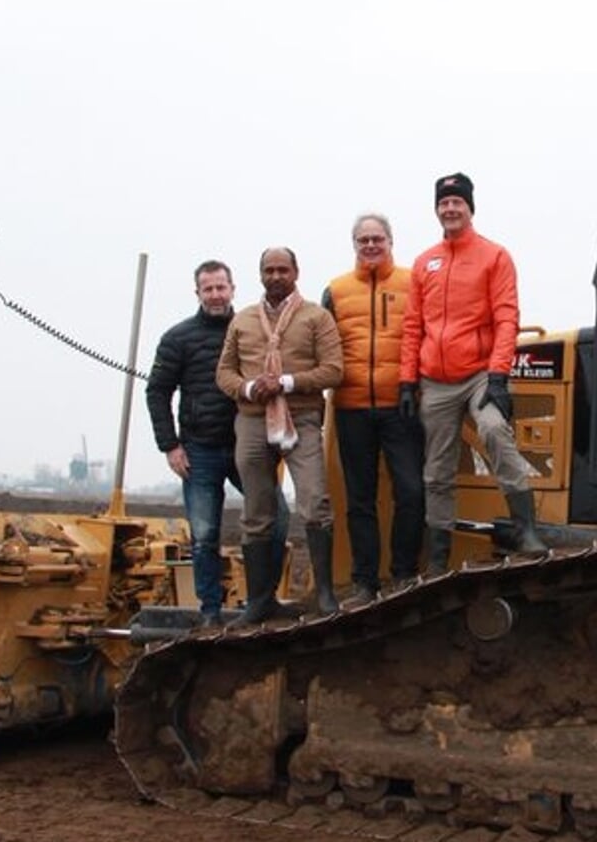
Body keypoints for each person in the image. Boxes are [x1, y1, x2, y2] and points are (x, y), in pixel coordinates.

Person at [399, 172, 543, 570]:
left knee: (495, 430)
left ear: (469, 207)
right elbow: (413, 325)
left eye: (456, 202)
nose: (450, 208)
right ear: (437, 210)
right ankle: (439, 557)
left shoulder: (494, 256)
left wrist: (498, 375)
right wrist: (407, 381)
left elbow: (506, 318)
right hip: (435, 380)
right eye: (443, 203)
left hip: (480, 373)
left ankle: (525, 527)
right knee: (436, 469)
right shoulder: (424, 263)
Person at [146, 259, 287, 627]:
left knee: (277, 518)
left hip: (248, 445)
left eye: (221, 287)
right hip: (200, 451)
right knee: (205, 534)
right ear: (198, 293)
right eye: (208, 289)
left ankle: (263, 600)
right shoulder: (178, 339)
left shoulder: (253, 330)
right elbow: (157, 392)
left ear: (233, 289)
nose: (215, 295)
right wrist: (170, 446)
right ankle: (209, 612)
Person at [216, 246, 343, 623]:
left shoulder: (316, 318)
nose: (275, 276)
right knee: (256, 511)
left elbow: (334, 370)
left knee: (314, 501)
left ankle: (324, 593)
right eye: (269, 270)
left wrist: (288, 382)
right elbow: (224, 373)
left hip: (301, 418)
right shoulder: (242, 321)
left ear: (296, 272)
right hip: (252, 421)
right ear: (260, 275)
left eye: (282, 270)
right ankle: (259, 600)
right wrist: (250, 388)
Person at [322, 212, 426, 601]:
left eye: (377, 239)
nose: (370, 246)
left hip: (401, 406)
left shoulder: (412, 282)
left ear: (390, 241)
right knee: (359, 498)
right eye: (363, 240)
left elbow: (424, 335)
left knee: (412, 492)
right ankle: (365, 581)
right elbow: (323, 346)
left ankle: (403, 573)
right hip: (351, 407)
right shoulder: (335, 290)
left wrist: (411, 384)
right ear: (354, 244)